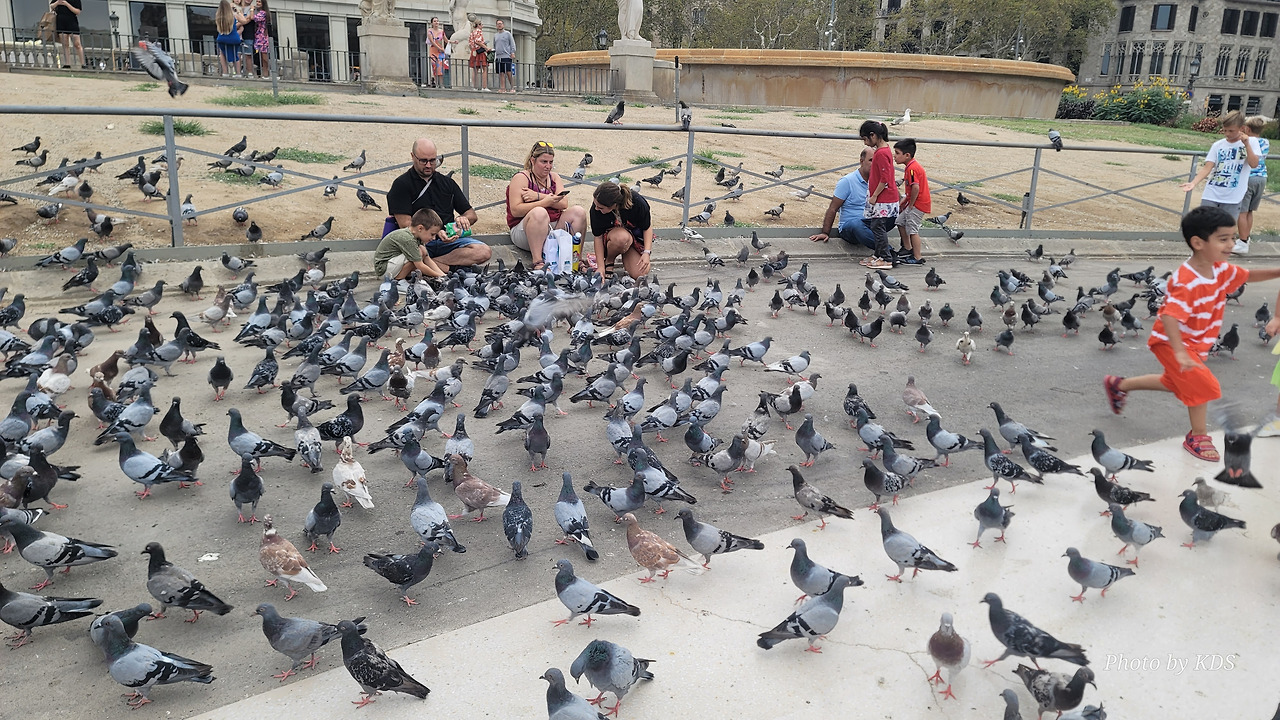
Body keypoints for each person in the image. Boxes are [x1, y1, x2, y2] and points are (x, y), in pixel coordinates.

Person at [1104, 206, 1280, 461]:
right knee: (1204, 385)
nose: (1232, 244)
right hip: (1172, 342)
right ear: (1198, 243)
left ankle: (1119, 385)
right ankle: (1197, 435)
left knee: (1175, 382)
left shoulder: (1219, 268)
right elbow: (1169, 316)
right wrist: (1180, 353)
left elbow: (1246, 275)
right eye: (1223, 239)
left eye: (1233, 237)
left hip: (1194, 344)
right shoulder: (1187, 280)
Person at [385, 138, 491, 271]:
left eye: (433, 160)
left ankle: (433, 266)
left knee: (483, 251)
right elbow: (405, 224)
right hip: (420, 242)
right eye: (423, 161)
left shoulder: (447, 183)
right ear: (413, 157)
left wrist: (463, 220)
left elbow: (471, 215)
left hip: (449, 241)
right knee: (414, 254)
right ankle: (442, 268)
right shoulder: (401, 184)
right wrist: (433, 233)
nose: (429, 165)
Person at [1179, 110, 1259, 253]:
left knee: (1224, 230)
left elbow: (1254, 164)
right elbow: (1208, 167)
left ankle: (1218, 256)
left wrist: (1246, 145)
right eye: (1225, 130)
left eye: (1231, 131)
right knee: (1203, 224)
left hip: (1233, 195)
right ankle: (1199, 254)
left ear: (1242, 128)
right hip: (1212, 191)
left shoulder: (1251, 142)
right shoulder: (1218, 145)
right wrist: (1194, 182)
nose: (1227, 134)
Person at [506, 141, 587, 269]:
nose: (548, 166)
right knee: (539, 212)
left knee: (579, 212)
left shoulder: (554, 177)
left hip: (552, 226)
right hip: (526, 230)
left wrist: (539, 196)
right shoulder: (521, 178)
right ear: (533, 160)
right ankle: (538, 261)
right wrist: (544, 203)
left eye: (551, 162)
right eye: (544, 162)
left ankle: (575, 258)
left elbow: (564, 203)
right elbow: (516, 210)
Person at [808, 147, 876, 251]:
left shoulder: (880, 182)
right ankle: (888, 252)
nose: (875, 164)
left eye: (877, 161)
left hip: (870, 224)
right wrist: (825, 232)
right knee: (856, 224)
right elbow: (833, 208)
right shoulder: (847, 181)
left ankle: (901, 251)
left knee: (894, 217)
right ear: (862, 161)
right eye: (871, 160)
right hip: (851, 228)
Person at [590, 181, 652, 280]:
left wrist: (646, 253)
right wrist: (600, 267)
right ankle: (609, 260)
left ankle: (627, 252)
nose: (596, 208)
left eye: (600, 207)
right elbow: (598, 236)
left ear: (614, 205)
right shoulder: (597, 207)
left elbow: (647, 227)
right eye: (595, 204)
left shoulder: (637, 202)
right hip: (613, 239)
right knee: (621, 238)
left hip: (634, 239)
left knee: (640, 274)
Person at [859, 119, 899, 270]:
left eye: (865, 139)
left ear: (873, 135)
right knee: (876, 226)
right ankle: (878, 255)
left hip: (883, 199)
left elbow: (885, 179)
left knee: (877, 227)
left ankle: (886, 258)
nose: (865, 143)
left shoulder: (881, 153)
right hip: (883, 197)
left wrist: (874, 195)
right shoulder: (884, 150)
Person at [374, 209, 447, 280]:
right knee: (418, 253)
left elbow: (427, 259)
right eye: (432, 234)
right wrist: (438, 276)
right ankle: (399, 280)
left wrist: (443, 275)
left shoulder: (417, 237)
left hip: (393, 264)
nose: (434, 238)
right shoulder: (408, 239)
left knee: (422, 250)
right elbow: (420, 265)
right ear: (420, 228)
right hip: (383, 269)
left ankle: (402, 277)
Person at [1235, 115, 1270, 255]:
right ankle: (1246, 237)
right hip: (1262, 177)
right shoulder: (1265, 142)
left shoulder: (1247, 141)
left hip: (1248, 177)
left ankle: (1242, 242)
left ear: (1247, 129)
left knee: (1242, 211)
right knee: (1249, 211)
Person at [893, 138, 931, 265]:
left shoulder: (912, 169)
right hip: (914, 203)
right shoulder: (910, 167)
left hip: (918, 204)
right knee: (900, 221)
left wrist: (910, 205)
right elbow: (910, 191)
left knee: (913, 229)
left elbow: (915, 188)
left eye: (897, 153)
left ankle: (917, 257)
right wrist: (903, 203)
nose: (894, 156)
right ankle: (907, 248)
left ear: (907, 155)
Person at [50, 0, 85, 70]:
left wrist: (66, 4)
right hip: (60, 20)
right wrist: (57, 2)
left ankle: (83, 63)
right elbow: (51, 6)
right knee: (65, 44)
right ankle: (67, 63)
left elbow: (78, 11)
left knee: (77, 43)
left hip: (72, 20)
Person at [215, 0, 242, 78]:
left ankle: (225, 72)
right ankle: (238, 73)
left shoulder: (218, 16)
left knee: (222, 53)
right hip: (234, 38)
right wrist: (237, 12)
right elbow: (243, 20)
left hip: (222, 37)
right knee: (235, 54)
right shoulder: (233, 15)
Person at [250, 0, 272, 77]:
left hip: (262, 36)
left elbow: (253, 18)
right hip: (259, 35)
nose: (257, 3)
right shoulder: (261, 12)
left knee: (264, 56)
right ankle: (265, 73)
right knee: (261, 56)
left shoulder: (263, 13)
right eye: (257, 2)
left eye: (259, 2)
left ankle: (267, 73)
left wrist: (252, 9)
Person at [493, 19, 516, 93]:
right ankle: (503, 88)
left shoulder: (507, 34)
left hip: (506, 56)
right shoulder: (495, 35)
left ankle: (512, 87)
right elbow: (494, 45)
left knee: (508, 72)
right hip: (498, 57)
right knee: (501, 73)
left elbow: (512, 43)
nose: (499, 25)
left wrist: (512, 52)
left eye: (500, 23)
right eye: (498, 24)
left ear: (503, 25)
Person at [469, 19, 489, 91]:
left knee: (475, 69)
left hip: (474, 51)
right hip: (480, 51)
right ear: (479, 25)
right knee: (484, 68)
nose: (482, 26)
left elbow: (471, 43)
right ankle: (484, 86)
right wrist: (486, 47)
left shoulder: (472, 32)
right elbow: (478, 41)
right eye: (481, 24)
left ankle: (474, 86)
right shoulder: (478, 31)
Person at [426, 17, 447, 88]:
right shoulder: (430, 31)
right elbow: (432, 41)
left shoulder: (441, 31)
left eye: (437, 21)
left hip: (440, 51)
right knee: (435, 67)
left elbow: (446, 40)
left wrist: (453, 42)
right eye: (434, 21)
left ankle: (441, 84)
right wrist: (439, 48)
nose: (436, 22)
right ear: (432, 23)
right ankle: (436, 83)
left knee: (441, 68)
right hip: (434, 50)